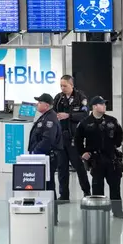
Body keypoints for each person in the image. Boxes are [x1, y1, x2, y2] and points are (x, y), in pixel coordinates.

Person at [73, 96, 123, 218]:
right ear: (95, 106)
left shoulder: (112, 120)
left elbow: (119, 135)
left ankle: (117, 211)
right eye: (102, 104)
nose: (104, 106)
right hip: (96, 160)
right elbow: (77, 140)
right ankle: (99, 212)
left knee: (115, 186)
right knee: (97, 187)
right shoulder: (85, 123)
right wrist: (82, 153)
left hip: (111, 158)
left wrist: (115, 144)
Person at [52, 75, 90, 201]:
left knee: (79, 167)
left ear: (71, 85)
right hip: (61, 138)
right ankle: (64, 196)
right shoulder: (58, 98)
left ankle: (87, 193)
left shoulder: (80, 97)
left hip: (74, 137)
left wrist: (69, 115)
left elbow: (85, 114)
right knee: (62, 168)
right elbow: (53, 113)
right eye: (61, 85)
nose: (62, 88)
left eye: (65, 86)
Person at [27, 93, 62, 224]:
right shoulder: (45, 117)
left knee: (49, 186)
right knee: (45, 187)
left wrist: (35, 153)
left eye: (39, 102)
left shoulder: (50, 119)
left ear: (46, 105)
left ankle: (53, 217)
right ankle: (47, 215)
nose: (37, 104)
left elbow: (47, 140)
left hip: (47, 158)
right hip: (42, 157)